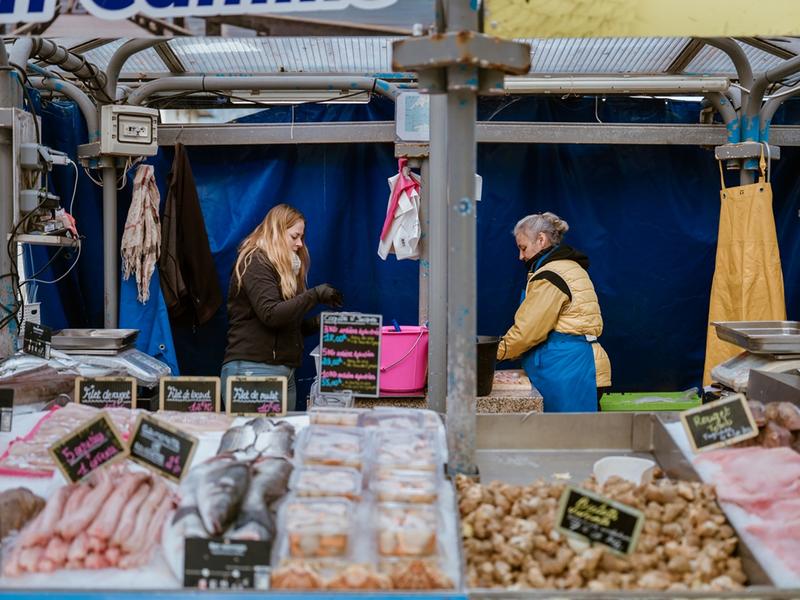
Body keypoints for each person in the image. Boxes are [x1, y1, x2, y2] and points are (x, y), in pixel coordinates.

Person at [221, 204, 343, 411]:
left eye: (301, 237)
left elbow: (284, 326)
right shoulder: (255, 261)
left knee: (283, 432)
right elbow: (271, 315)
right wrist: (315, 295)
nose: (300, 244)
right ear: (277, 231)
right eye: (295, 236)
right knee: (256, 432)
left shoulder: (282, 269)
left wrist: (320, 322)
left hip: (284, 372)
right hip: (254, 370)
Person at [496, 212, 611, 412]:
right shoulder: (568, 267)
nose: (521, 256)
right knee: (579, 430)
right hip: (581, 365)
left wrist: (492, 353)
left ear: (541, 239)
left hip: (569, 370)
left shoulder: (550, 276)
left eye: (523, 248)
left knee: (566, 431)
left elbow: (527, 332)